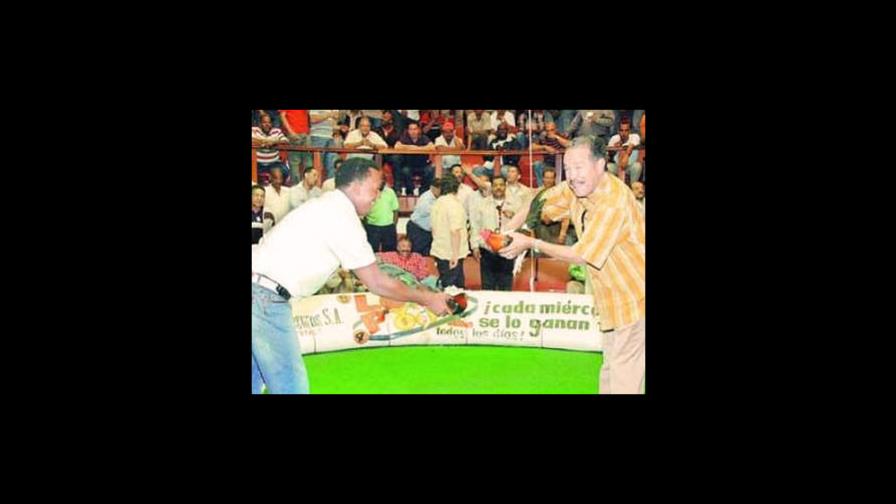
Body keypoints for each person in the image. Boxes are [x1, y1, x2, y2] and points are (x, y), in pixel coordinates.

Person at [251, 158, 453, 394]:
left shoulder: (327, 206)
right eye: (375, 189)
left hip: (260, 291)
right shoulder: (341, 216)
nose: (377, 195)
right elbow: (376, 282)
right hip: (264, 297)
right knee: (291, 386)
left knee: (256, 381)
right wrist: (428, 298)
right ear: (356, 187)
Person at [498, 138, 645, 394]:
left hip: (635, 297)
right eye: (568, 169)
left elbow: (582, 254)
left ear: (600, 165)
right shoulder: (575, 187)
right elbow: (539, 202)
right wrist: (506, 231)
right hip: (610, 299)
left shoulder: (614, 201)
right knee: (611, 367)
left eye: (579, 167)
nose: (573, 176)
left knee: (623, 374)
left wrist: (530, 242)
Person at [430, 176, 469, 289]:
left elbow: (433, 229)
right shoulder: (454, 204)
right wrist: (455, 255)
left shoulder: (437, 203)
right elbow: (455, 231)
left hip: (440, 250)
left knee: (448, 286)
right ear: (457, 188)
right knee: (454, 290)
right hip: (451, 254)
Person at [363, 176, 399, 252]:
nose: (381, 182)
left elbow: (395, 210)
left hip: (388, 227)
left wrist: (393, 225)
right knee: (372, 252)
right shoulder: (368, 191)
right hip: (372, 227)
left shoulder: (390, 192)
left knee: (390, 253)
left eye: (383, 180)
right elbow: (364, 209)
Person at [406, 177, 441, 256]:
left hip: (427, 232)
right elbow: (427, 212)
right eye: (439, 189)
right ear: (433, 187)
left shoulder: (438, 198)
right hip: (418, 230)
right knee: (416, 254)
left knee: (427, 254)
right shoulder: (426, 198)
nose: (441, 191)